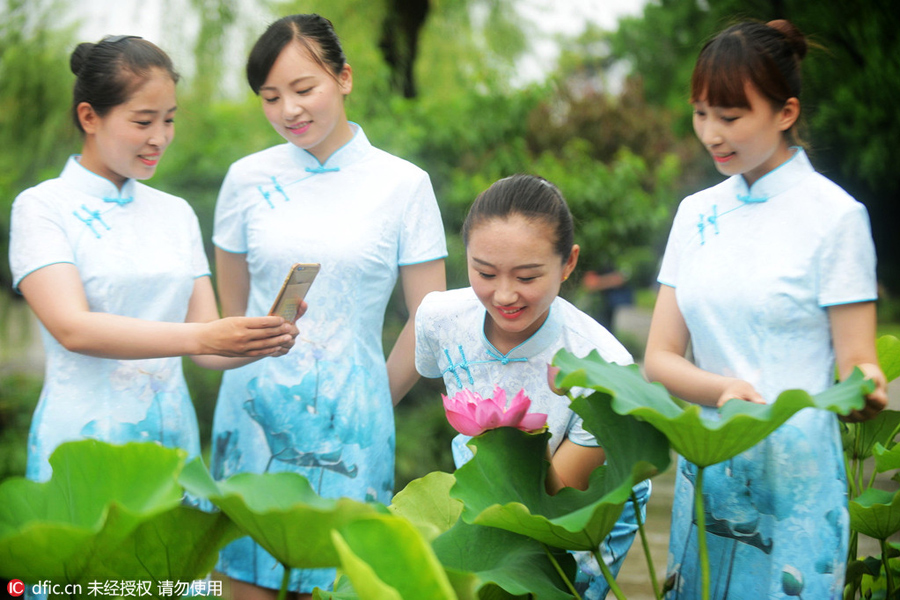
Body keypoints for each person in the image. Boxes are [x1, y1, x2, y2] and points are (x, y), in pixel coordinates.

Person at [644, 19, 888, 599]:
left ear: (786, 113)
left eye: (731, 117)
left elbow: (859, 363)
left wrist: (866, 389)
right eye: (701, 113)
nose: (711, 134)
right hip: (710, 469)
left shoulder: (836, 218)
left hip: (798, 483)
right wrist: (723, 389)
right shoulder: (695, 214)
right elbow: (658, 359)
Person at [208, 14, 447, 599]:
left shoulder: (403, 184)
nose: (288, 109)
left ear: (343, 78)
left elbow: (430, 319)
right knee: (245, 579)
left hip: (353, 429)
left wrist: (370, 397)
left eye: (303, 88)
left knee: (342, 581)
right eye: (270, 97)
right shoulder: (245, 180)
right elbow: (229, 320)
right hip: (253, 420)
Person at [7, 35, 299, 484]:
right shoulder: (42, 207)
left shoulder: (175, 212)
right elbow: (72, 328)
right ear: (89, 116)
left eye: (169, 120)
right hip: (84, 444)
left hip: (171, 445)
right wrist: (203, 337)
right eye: (143, 121)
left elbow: (208, 348)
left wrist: (257, 339)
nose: (159, 138)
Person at [415, 174, 649, 599]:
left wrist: (515, 433)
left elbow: (553, 497)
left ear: (569, 263)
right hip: (481, 508)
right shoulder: (440, 319)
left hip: (573, 527)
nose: (504, 295)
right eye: (485, 272)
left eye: (526, 277)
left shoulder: (602, 366)